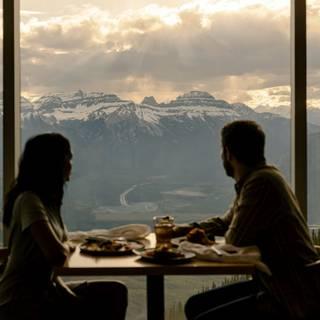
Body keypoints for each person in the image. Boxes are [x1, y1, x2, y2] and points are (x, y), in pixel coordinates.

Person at [175, 120, 320, 320]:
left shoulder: (260, 184)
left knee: (201, 315)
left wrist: (203, 242)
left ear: (227, 153)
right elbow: (226, 221)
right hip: (283, 284)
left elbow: (235, 240)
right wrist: (179, 230)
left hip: (290, 297)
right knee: (195, 305)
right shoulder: (263, 177)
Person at [0, 133, 128, 320]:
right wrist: (68, 246)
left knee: (115, 291)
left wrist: (70, 297)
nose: (70, 165)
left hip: (43, 292)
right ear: (52, 164)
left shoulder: (47, 203)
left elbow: (47, 270)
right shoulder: (29, 200)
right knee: (111, 296)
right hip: (20, 302)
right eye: (67, 158)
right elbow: (56, 255)